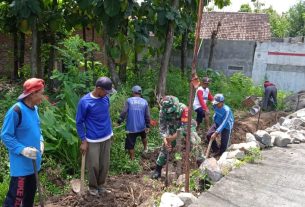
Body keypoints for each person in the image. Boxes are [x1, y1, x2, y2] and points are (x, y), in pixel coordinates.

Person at [1, 78, 45, 207]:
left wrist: (41, 141)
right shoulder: (16, 111)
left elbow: (37, 128)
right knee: (15, 200)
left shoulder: (35, 109)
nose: (43, 96)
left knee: (29, 199)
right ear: (32, 94)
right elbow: (5, 136)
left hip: (34, 164)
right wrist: (22, 150)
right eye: (41, 93)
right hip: (21, 167)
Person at [76, 76, 115, 196]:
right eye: (106, 91)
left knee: (104, 164)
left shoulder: (105, 98)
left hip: (107, 136)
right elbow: (79, 122)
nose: (107, 94)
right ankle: (93, 188)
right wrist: (83, 140)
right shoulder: (85, 102)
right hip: (92, 139)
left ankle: (101, 186)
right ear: (98, 88)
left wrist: (110, 132)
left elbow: (105, 115)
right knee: (93, 165)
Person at [151, 96, 204, 179]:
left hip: (187, 126)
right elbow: (162, 127)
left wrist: (173, 137)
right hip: (173, 128)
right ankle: (158, 170)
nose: (170, 113)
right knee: (165, 147)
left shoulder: (183, 108)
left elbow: (184, 127)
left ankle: (202, 163)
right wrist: (166, 140)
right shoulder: (163, 111)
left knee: (194, 141)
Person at [117, 85, 150, 160]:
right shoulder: (144, 101)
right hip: (142, 126)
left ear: (133, 92)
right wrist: (148, 125)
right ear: (140, 93)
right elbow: (147, 115)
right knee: (144, 137)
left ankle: (132, 160)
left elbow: (124, 112)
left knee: (130, 145)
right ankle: (145, 149)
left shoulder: (129, 100)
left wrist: (119, 121)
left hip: (131, 127)